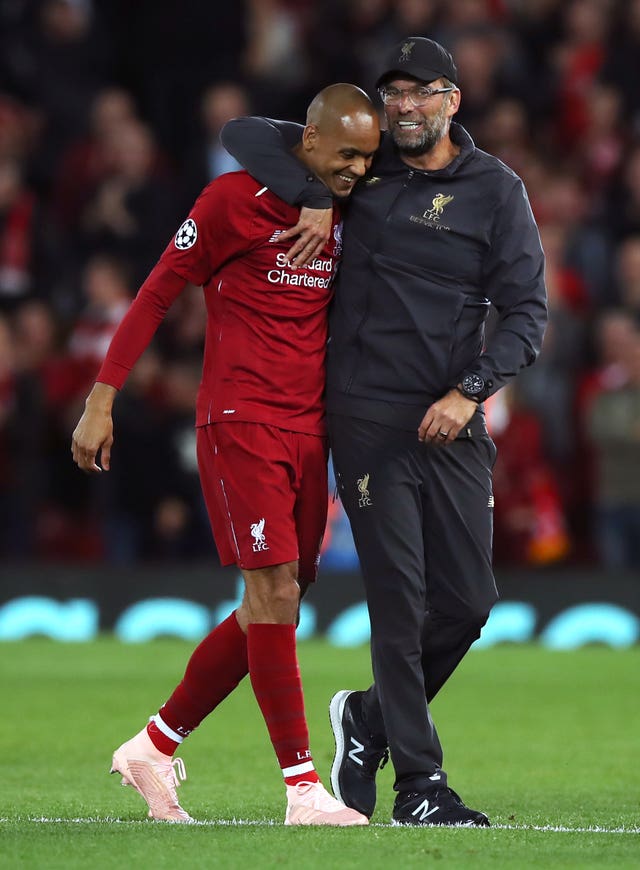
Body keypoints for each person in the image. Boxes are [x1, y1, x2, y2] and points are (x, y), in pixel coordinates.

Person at [220, 37, 547, 826]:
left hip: (451, 418)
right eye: (393, 92)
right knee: (400, 603)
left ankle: (364, 720)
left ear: (452, 101)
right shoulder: (360, 173)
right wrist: (306, 188)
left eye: (422, 91)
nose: (405, 106)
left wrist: (470, 393)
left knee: (468, 604)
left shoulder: (496, 190)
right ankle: (421, 787)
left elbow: (527, 316)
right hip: (366, 415)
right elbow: (247, 134)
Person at [71, 83, 380, 825]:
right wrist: (103, 396)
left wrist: (322, 191)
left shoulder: (344, 206)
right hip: (240, 419)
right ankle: (302, 788)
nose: (358, 172)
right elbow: (152, 294)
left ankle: (153, 743)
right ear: (308, 140)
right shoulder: (227, 203)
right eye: (344, 156)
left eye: (367, 160)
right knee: (272, 593)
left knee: (277, 603)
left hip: (312, 429)